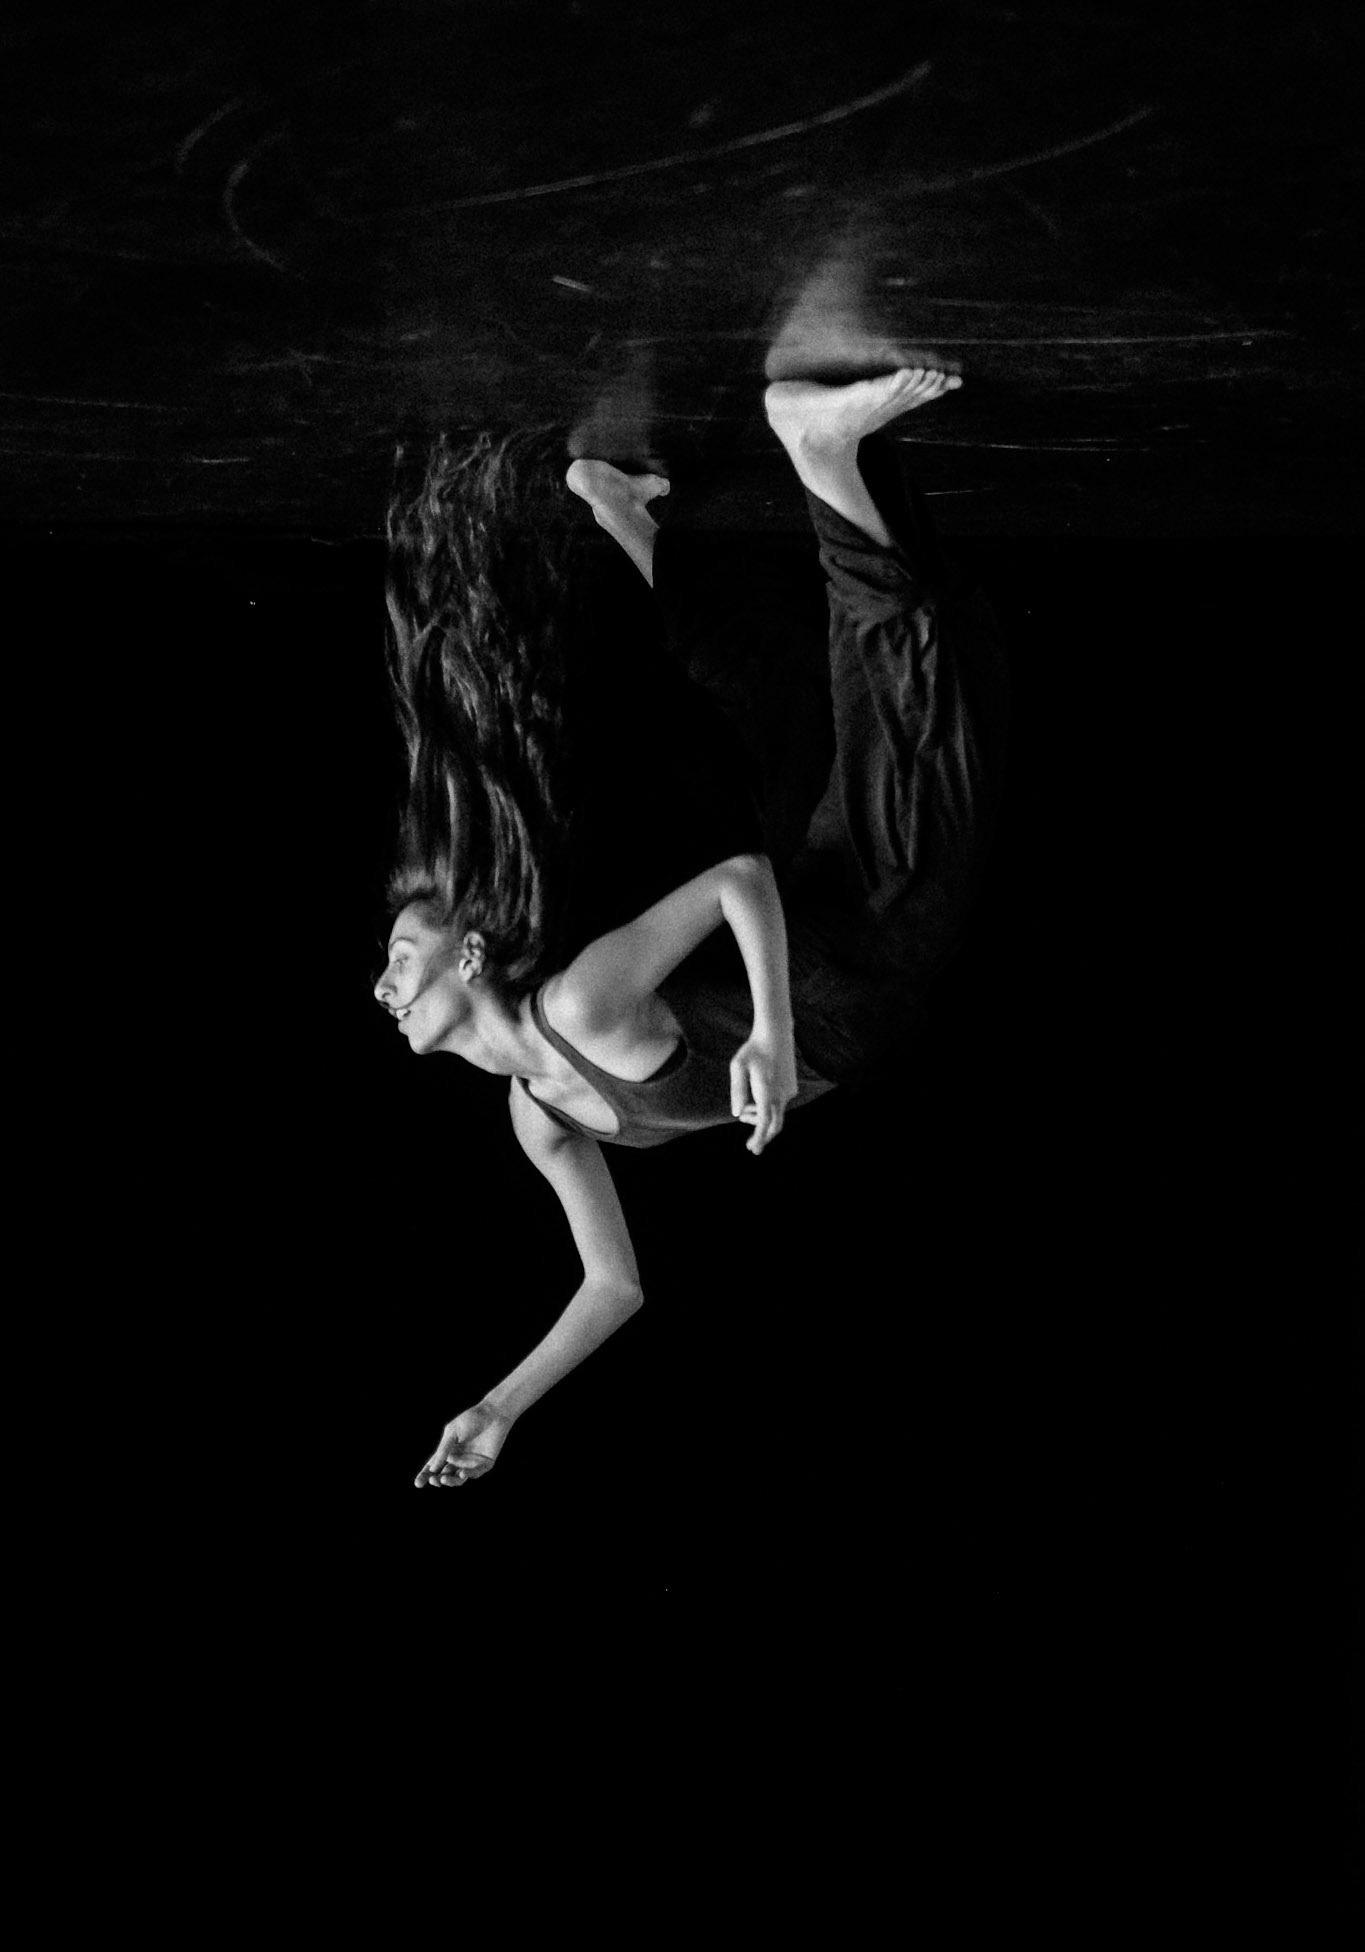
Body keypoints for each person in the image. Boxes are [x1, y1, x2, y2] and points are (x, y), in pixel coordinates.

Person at [373, 367, 1011, 1488]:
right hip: (828, 945)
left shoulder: (579, 1007)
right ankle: (619, 508)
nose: (382, 984)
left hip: (859, 957)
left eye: (394, 960)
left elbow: (735, 879)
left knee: (922, 703)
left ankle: (816, 448)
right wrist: (496, 1408)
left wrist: (769, 1034)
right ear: (467, 958)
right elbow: (614, 1286)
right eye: (397, 958)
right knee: (780, 696)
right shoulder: (537, 1115)